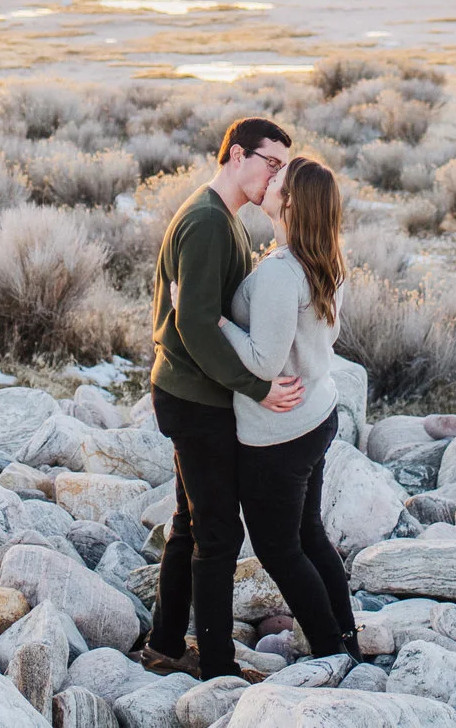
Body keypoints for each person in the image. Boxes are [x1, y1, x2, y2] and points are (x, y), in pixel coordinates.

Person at [141, 116, 306, 680]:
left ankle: (165, 644)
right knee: (217, 533)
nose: (277, 177)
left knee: (191, 524)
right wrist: (258, 389)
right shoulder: (209, 222)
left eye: (284, 167)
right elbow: (194, 325)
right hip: (194, 398)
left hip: (193, 393)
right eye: (272, 163)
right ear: (237, 155)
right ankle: (216, 667)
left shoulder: (226, 219)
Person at [217, 154, 362, 664]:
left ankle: (329, 653)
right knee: (308, 534)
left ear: (291, 201)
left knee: (280, 549)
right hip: (319, 414)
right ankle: (346, 641)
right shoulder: (327, 257)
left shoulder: (283, 272)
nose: (269, 180)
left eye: (278, 178)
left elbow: (263, 361)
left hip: (279, 434)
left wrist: (215, 321)